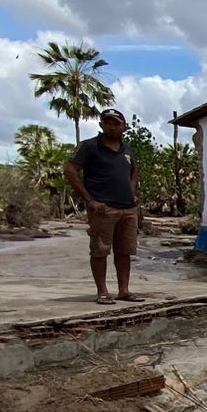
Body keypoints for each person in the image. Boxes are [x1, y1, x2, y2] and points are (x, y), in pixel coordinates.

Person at [66, 108, 144, 304]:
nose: (111, 126)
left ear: (124, 127)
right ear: (101, 124)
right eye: (107, 122)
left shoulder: (127, 149)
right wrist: (89, 200)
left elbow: (134, 171)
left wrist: (132, 193)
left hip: (127, 208)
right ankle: (102, 291)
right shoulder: (90, 147)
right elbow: (70, 170)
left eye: (116, 123)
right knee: (100, 250)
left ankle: (124, 290)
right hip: (103, 208)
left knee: (125, 250)